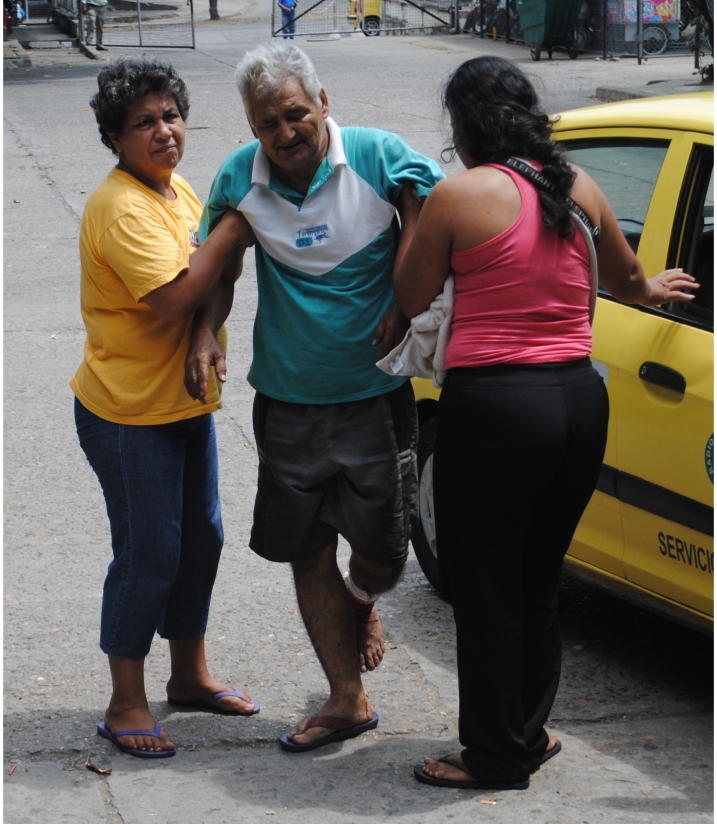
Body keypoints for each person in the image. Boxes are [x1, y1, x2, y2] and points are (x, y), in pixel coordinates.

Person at [394, 56, 697, 790]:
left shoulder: (460, 195)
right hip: (577, 403)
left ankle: (495, 755)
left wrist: (412, 216)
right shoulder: (578, 186)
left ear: (466, 126)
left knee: (485, 589)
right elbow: (627, 281)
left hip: (496, 410)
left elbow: (410, 295)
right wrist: (655, 288)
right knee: (536, 580)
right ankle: (527, 733)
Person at [185, 42, 443, 752]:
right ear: (251, 127)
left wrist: (405, 293)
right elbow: (220, 268)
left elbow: (432, 208)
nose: (284, 132)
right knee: (307, 550)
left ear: (323, 102)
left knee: (385, 558)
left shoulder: (378, 155)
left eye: (295, 113)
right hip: (287, 400)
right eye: (266, 123)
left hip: (375, 396)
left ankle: (362, 599)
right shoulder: (239, 176)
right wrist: (204, 332)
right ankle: (345, 698)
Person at [72, 55, 257, 759]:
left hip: (181, 402)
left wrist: (206, 331)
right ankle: (126, 700)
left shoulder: (174, 188)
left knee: (201, 539)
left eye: (171, 116)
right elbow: (180, 294)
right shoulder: (122, 207)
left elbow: (217, 279)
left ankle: (188, 675)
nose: (164, 131)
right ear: (114, 139)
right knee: (148, 553)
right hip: (126, 414)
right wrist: (234, 227)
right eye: (144, 123)